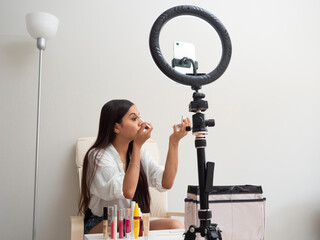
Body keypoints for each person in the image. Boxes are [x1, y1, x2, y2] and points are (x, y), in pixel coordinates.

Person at [79, 99, 191, 234]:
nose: (141, 122)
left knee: (175, 225)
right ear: (116, 127)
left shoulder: (140, 152)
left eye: (139, 117)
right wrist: (137, 146)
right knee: (122, 222)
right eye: (133, 118)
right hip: (103, 223)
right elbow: (128, 191)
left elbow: (166, 182)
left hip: (131, 221)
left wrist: (174, 142)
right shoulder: (98, 156)